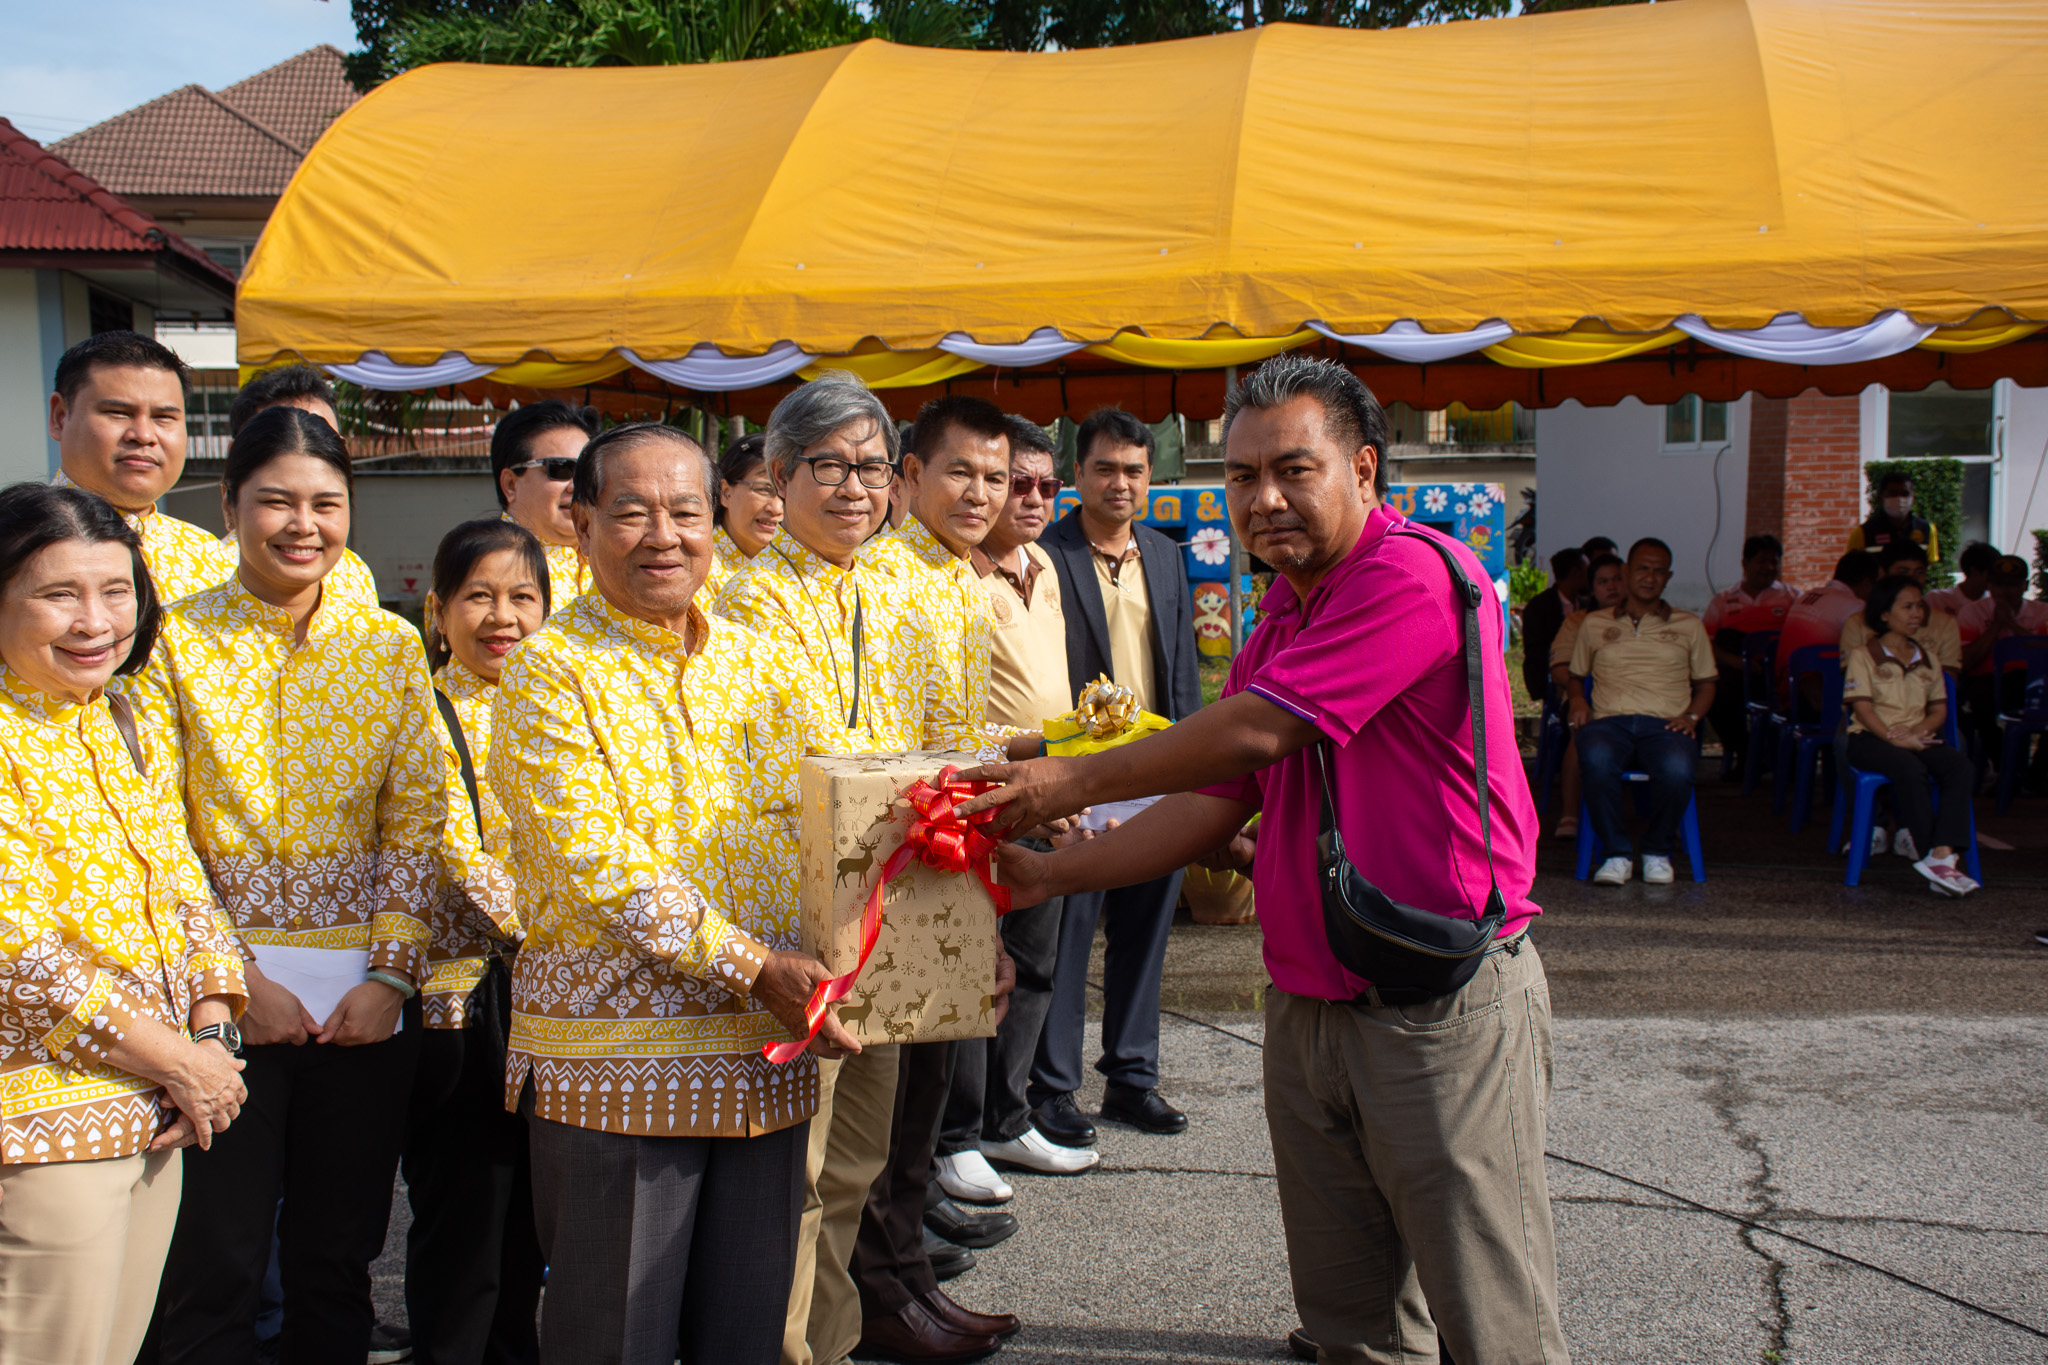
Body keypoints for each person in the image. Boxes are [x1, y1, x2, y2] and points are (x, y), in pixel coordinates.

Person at [956, 354, 1564, 1365]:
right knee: (1349, 1323)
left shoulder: (1410, 573)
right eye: (1242, 477)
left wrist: (1065, 782)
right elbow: (1217, 799)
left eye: (1293, 469)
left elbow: (1253, 734)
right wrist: (1050, 875)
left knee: (1491, 1321)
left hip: (1436, 996)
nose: (1263, 499)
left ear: (1363, 468)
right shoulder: (1283, 610)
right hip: (1310, 995)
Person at [490, 422, 858, 1365]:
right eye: (632, 512)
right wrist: (754, 965)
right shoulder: (546, 668)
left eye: (685, 511)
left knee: (745, 1335)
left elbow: (844, 796)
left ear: (715, 517)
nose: (664, 535)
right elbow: (596, 861)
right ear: (580, 524)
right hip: (617, 1063)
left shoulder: (762, 658)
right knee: (615, 1340)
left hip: (764, 1054)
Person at [134, 408, 467, 1365]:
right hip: (218, 1014)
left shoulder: (388, 647)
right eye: (276, 500)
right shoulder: (172, 643)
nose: (302, 524)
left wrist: (391, 978)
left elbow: (418, 821)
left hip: (362, 1011)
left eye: (326, 502)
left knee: (337, 1257)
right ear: (229, 505)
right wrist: (235, 982)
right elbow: (156, 831)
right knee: (216, 1261)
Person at [715, 376, 1018, 1365]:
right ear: (777, 474)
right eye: (831, 466)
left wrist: (973, 922)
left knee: (854, 1164)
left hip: (892, 916)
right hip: (786, 931)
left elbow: (946, 766)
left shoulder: (908, 591)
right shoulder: (732, 603)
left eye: (872, 468)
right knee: (792, 1174)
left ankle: (832, 1343)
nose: (855, 488)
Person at [0, 484, 249, 1365]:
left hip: (160, 1111)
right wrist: (181, 1060)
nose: (96, 621)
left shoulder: (114, 714)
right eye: (58, 593)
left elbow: (184, 885)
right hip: (43, 1122)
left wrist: (213, 1036)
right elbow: (17, 950)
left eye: (116, 591)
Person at [937, 417, 1099, 1198]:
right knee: (976, 966)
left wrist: (1068, 775)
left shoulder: (1047, 565)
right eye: (1015, 482)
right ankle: (957, 1136)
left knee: (1036, 964)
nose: (1030, 498)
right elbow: (952, 715)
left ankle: (1008, 1116)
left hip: (1050, 793)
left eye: (1044, 485)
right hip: (982, 796)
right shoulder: (953, 577)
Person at [1033, 406, 1202, 1145]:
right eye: (1105, 468)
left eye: (1134, 470)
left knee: (1145, 931)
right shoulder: (1046, 554)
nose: (1120, 483)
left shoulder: (1164, 554)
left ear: (1150, 477)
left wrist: (1198, 768)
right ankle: (1053, 1087)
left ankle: (1133, 1078)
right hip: (1083, 776)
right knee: (1070, 934)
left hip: (1159, 770)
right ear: (1078, 474)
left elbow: (1183, 669)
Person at [402, 519, 549, 1365]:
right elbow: (457, 853)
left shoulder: (559, 704)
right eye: (479, 597)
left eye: (523, 596)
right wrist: (572, 932)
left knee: (530, 1220)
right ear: (438, 611)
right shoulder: (422, 711)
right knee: (465, 1222)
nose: (503, 617)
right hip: (464, 1006)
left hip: (553, 1000)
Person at [1568, 537, 1717, 886]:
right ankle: (1616, 854)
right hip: (1609, 722)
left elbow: (1707, 683)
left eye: (1659, 571)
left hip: (1666, 724)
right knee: (1595, 758)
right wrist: (1577, 700)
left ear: (1669, 577)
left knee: (1677, 769)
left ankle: (1656, 851)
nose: (1650, 577)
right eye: (1643, 569)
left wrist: (1692, 717)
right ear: (1626, 571)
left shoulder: (1689, 625)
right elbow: (1576, 677)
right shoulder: (1594, 623)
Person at [1841, 575, 1980, 895]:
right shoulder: (1863, 655)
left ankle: (1942, 854)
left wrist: (1918, 732)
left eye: (1919, 606)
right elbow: (1862, 709)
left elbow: (1938, 710)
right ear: (1884, 613)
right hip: (1871, 739)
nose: (1917, 613)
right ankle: (1932, 853)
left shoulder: (1928, 657)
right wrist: (1895, 737)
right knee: (1909, 768)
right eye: (1907, 607)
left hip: (1916, 738)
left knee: (1960, 767)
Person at [1546, 552, 1625, 840]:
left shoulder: (1645, 621)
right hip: (1586, 700)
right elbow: (1558, 669)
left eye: (1617, 579)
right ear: (1592, 588)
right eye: (1603, 582)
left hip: (1633, 702)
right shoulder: (1579, 622)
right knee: (1582, 732)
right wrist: (1585, 690)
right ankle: (1570, 813)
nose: (1612, 586)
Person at [491, 400, 600, 601]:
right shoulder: (481, 566)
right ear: (510, 485)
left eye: (587, 471)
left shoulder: (612, 563)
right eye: (560, 469)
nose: (577, 486)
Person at [1957, 554, 2048, 766]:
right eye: (1998, 585)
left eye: (2012, 585)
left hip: (2034, 682)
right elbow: (1966, 662)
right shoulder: (1972, 612)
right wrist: (1996, 626)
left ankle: (2037, 773)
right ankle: (2005, 766)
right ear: (1989, 585)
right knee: (1981, 706)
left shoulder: (2042, 613)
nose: (2004, 592)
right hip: (1986, 682)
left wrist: (2012, 625)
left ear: (2025, 586)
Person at [1840, 542, 1961, 673]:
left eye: (1919, 572)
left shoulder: (1945, 624)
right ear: (1882, 573)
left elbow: (1949, 678)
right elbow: (1852, 676)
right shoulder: (1857, 623)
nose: (1912, 579)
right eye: (1903, 572)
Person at [1776, 550, 1883, 697]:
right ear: (1867, 584)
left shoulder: (1807, 595)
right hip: (1814, 696)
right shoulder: (1856, 607)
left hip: (1782, 687)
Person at [709, 430, 783, 601]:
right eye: (763, 489)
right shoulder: (698, 570)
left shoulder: (790, 566)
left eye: (786, 494)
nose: (776, 508)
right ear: (726, 493)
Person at [1520, 546, 1586, 704]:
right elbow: (1535, 650)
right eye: (1586, 570)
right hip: (1552, 685)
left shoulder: (1587, 605)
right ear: (1575, 572)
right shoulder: (1539, 607)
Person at [1848, 470, 1939, 562]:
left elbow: (1929, 565)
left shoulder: (1927, 529)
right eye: (1893, 494)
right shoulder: (1863, 533)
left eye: (1905, 494)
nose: (1899, 499)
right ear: (1880, 497)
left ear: (1913, 498)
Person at [1925, 540, 1999, 617]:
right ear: (1974, 571)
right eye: (1991, 573)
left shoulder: (1994, 605)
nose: (1995, 578)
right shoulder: (1936, 599)